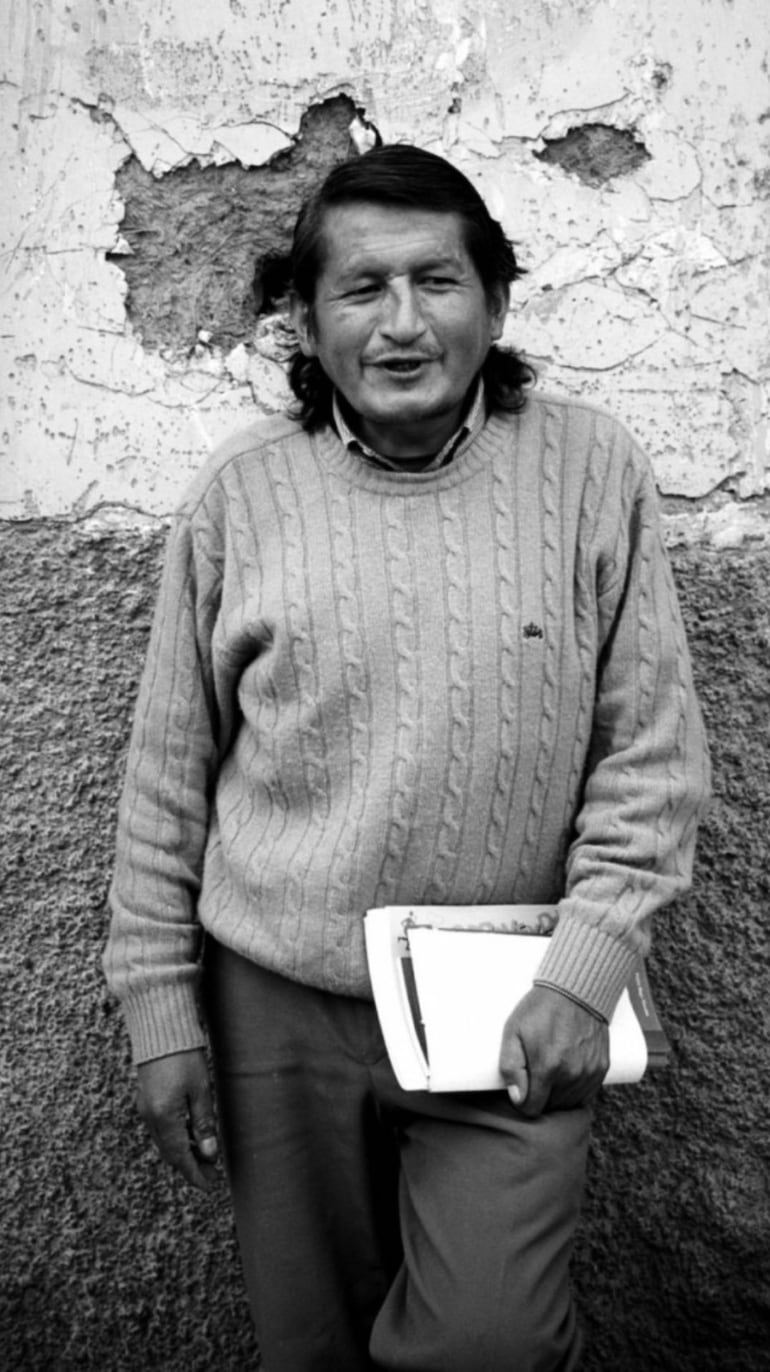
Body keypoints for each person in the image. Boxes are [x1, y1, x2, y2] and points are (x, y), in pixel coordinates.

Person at [104, 144, 710, 1371]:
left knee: (489, 1338)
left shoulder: (589, 472)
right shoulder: (240, 495)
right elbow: (168, 775)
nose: (399, 323)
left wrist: (586, 972)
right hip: (279, 1003)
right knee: (310, 1341)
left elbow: (648, 755)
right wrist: (160, 1010)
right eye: (359, 288)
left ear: (495, 301)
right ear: (304, 317)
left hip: (512, 998)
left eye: (435, 281)